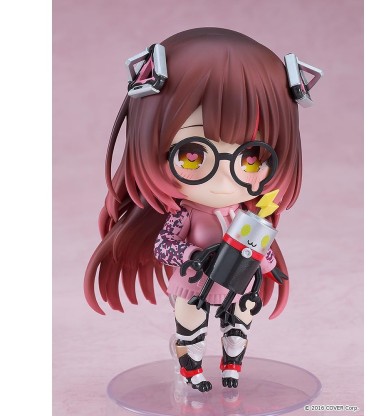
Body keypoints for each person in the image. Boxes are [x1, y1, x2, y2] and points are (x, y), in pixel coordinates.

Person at [85, 27, 318, 392]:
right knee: (191, 328)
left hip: (239, 282)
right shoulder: (186, 215)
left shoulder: (245, 216)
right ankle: (191, 371)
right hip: (193, 283)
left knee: (238, 329)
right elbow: (164, 245)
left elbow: (259, 246)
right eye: (193, 156)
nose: (225, 177)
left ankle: (231, 368)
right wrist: (193, 255)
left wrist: (269, 264)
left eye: (251, 158)